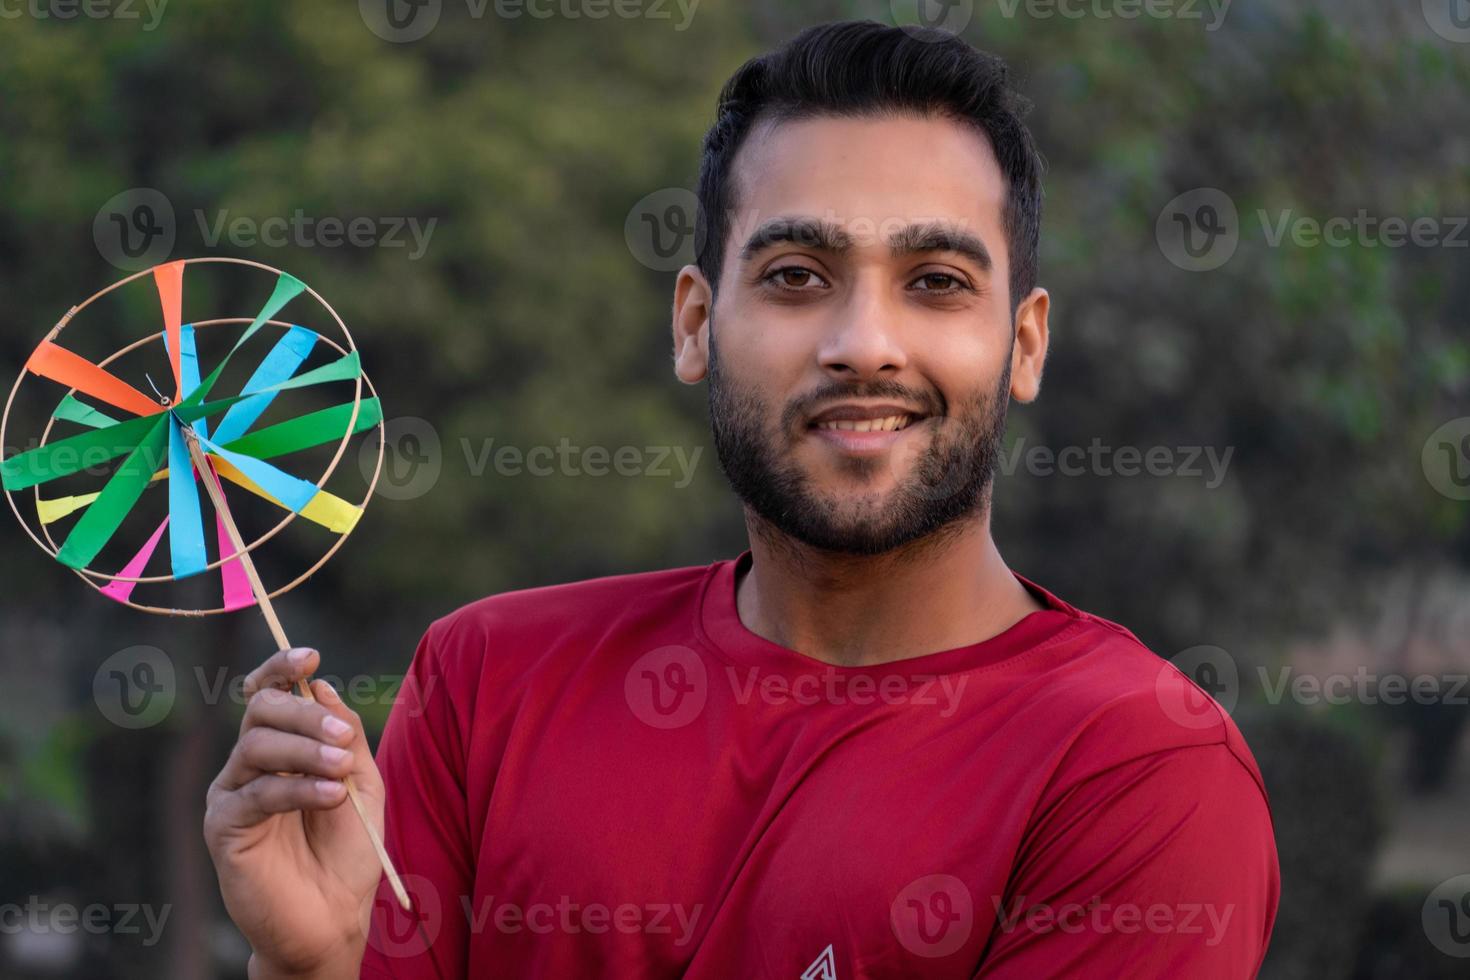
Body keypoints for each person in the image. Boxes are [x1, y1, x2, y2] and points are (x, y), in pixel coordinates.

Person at [204, 20, 1279, 979]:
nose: (863, 343)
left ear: (1026, 342)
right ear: (692, 323)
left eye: (938, 282)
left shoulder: (1137, 768)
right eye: (796, 276)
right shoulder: (489, 685)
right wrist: (314, 962)